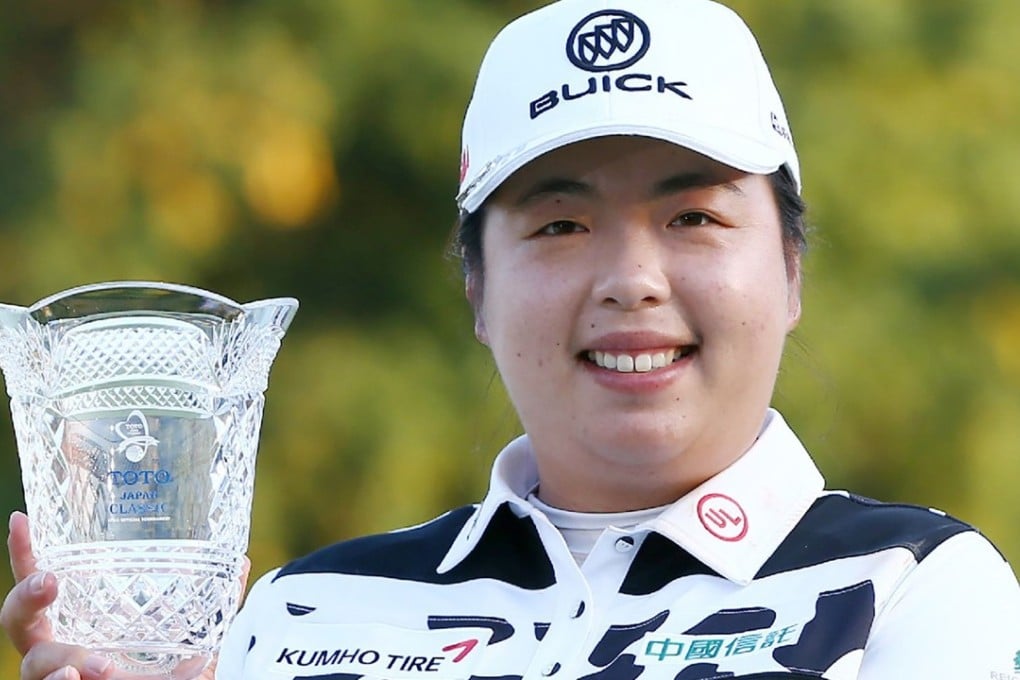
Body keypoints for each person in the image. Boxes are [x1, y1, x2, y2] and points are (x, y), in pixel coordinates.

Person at [4, 0, 1020, 678]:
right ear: (478, 292)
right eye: (560, 224)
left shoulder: (915, 587)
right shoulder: (302, 614)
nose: (631, 277)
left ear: (792, 271)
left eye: (694, 217)